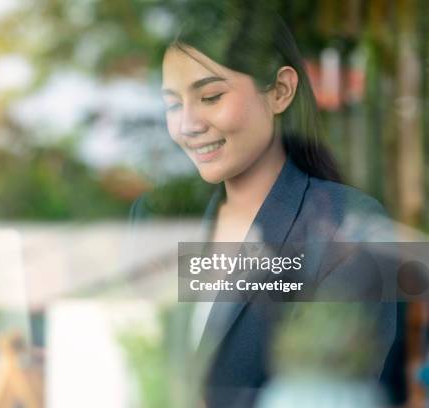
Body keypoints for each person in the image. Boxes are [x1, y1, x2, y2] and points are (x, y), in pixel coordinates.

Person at [128, 1, 398, 407]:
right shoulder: (154, 219)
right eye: (172, 104)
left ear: (280, 91)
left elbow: (336, 393)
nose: (187, 124)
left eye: (211, 96)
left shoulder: (347, 226)